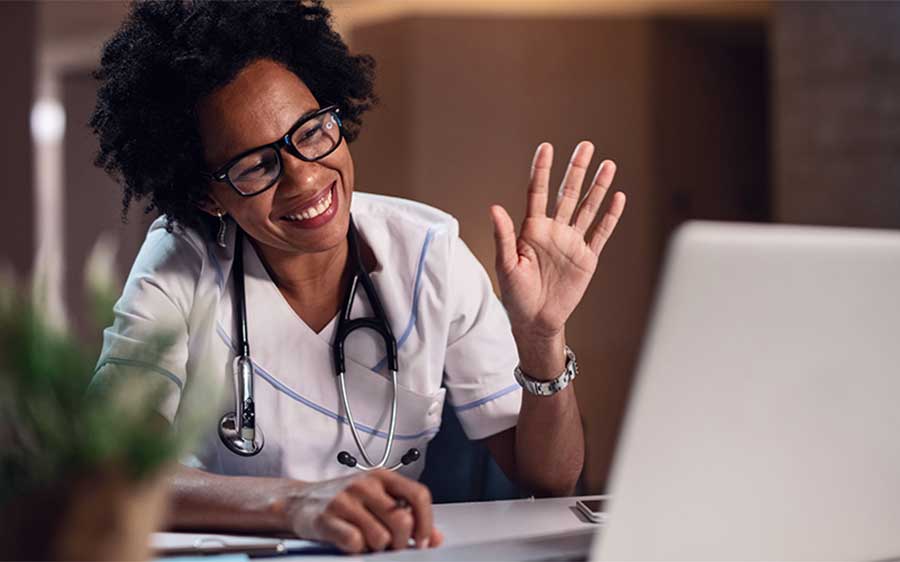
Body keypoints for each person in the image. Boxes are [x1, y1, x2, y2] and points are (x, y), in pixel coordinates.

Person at [90, 0, 625, 554]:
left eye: (311, 132)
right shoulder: (179, 262)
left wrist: (541, 339)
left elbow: (550, 480)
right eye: (256, 165)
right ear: (208, 196)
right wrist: (297, 504)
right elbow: (111, 473)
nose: (304, 179)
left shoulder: (429, 253)